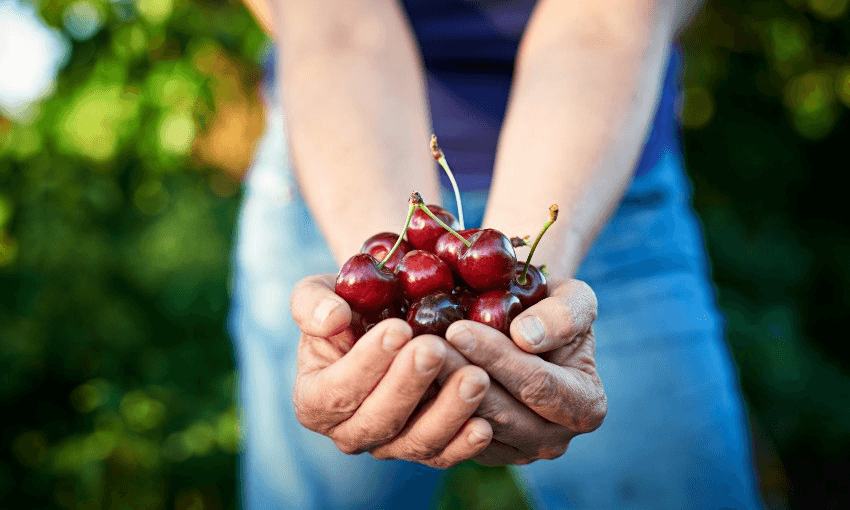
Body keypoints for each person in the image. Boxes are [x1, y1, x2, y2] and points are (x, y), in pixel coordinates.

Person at [230, 0, 767, 508]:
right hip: (344, 166)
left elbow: (601, 25)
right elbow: (337, 29)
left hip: (599, 171)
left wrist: (524, 291)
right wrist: (381, 290)